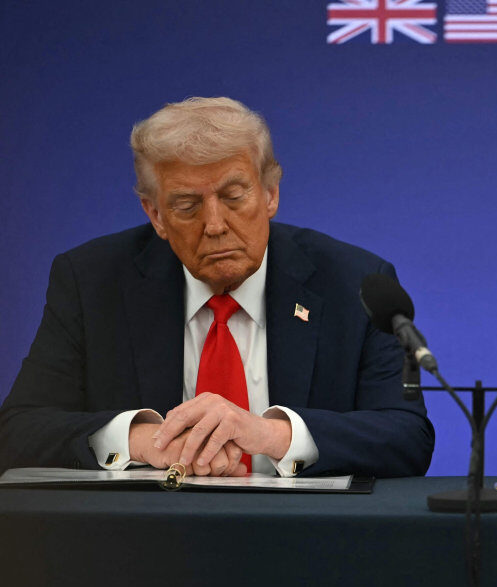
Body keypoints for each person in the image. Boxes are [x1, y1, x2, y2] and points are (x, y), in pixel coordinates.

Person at [0, 97, 433, 478]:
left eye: (233, 196)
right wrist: (143, 440)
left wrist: (269, 434)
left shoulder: (353, 282)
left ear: (270, 194)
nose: (214, 225)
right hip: (145, 536)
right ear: (155, 215)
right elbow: (17, 430)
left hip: (305, 536)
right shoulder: (93, 281)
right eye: (187, 205)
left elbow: (407, 436)